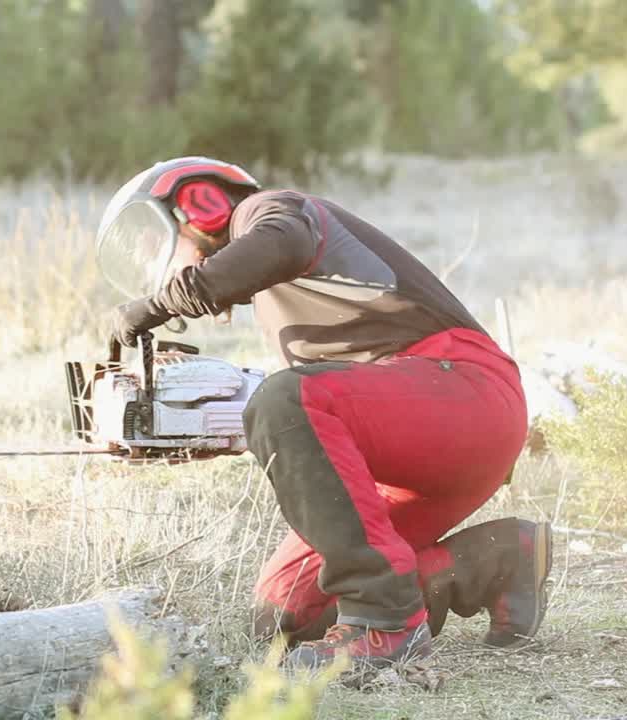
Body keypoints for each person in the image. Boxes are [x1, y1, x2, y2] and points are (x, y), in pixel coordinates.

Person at [95, 156, 551, 674]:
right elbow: (327, 413)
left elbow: (278, 249)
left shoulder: (273, 212)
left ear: (201, 204)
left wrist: (158, 306)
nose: (164, 265)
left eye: (160, 246)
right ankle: (496, 558)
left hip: (466, 393)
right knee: (285, 613)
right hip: (422, 431)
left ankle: (384, 625)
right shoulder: (280, 289)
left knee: (284, 398)